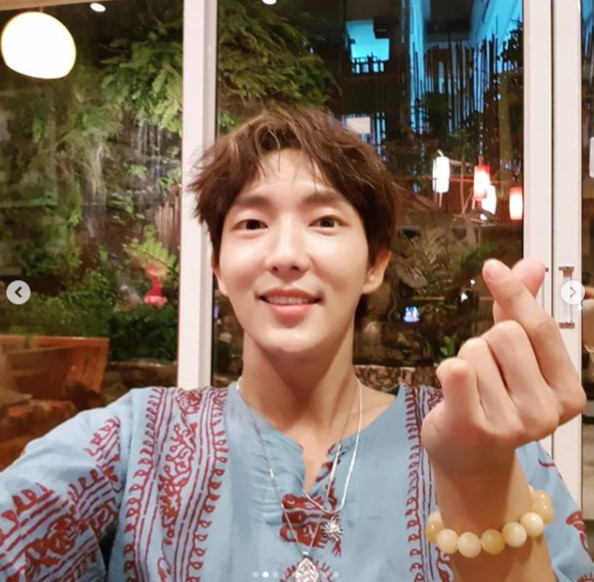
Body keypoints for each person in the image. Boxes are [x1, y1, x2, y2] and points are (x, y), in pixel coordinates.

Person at [0, 108, 592, 582]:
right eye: (252, 224)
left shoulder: (483, 439)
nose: (285, 255)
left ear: (374, 264)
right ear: (219, 268)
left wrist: (478, 482)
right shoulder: (133, 442)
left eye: (325, 221)